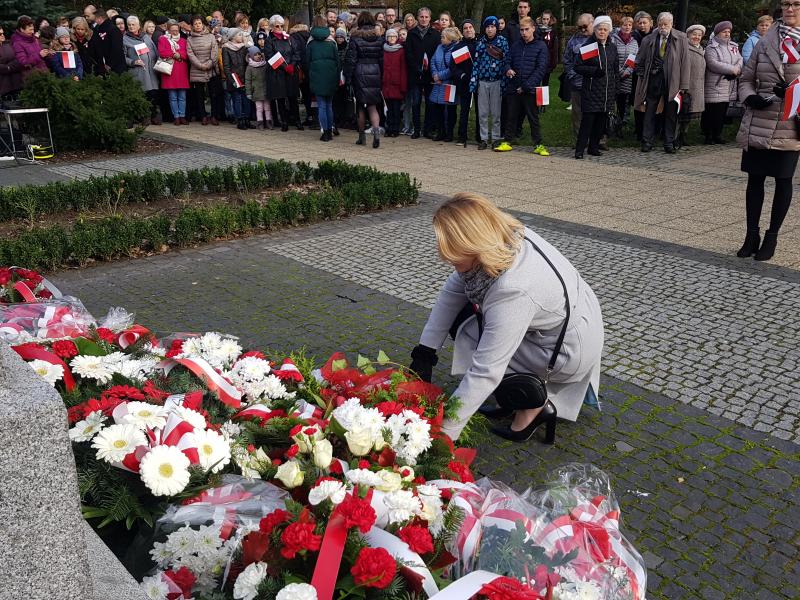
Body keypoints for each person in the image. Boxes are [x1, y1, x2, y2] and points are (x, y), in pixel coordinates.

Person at [409, 193, 604, 442]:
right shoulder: (503, 237)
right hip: (572, 323)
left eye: (453, 253)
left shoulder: (513, 290)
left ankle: (533, 403)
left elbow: (486, 369)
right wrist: (425, 352)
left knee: (471, 331)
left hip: (566, 353)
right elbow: (453, 291)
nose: (446, 259)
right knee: (467, 318)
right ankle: (514, 392)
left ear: (473, 244)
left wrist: (443, 435)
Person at [735, 0, 800, 261]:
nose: (790, 9)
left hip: (790, 124)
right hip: (759, 121)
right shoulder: (765, 40)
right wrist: (750, 97)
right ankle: (752, 235)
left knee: (783, 180)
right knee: (755, 180)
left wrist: (792, 94)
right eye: (786, 3)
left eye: (796, 4)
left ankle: (772, 236)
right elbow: (746, 79)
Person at [634, 12, 690, 154]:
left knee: (671, 113)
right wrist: (643, 74)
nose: (663, 27)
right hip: (653, 80)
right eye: (660, 24)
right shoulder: (649, 39)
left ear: (672, 24)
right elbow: (638, 61)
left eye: (666, 24)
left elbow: (685, 63)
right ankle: (647, 141)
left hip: (673, 81)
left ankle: (669, 142)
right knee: (649, 112)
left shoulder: (681, 38)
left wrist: (684, 85)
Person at [495, 16, 549, 156]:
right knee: (511, 116)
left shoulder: (541, 46)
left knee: (533, 117)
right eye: (521, 30)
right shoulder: (516, 45)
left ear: (533, 29)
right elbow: (507, 60)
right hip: (514, 86)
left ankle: (538, 144)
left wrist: (526, 86)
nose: (524, 32)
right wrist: (508, 69)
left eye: (526, 29)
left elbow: (541, 69)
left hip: (530, 89)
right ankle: (507, 141)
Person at [574, 15, 618, 159]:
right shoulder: (589, 46)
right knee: (587, 123)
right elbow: (578, 67)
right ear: (595, 29)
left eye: (605, 29)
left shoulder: (612, 47)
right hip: (592, 90)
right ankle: (579, 150)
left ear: (609, 31)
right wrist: (594, 72)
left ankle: (593, 147)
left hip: (607, 92)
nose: (602, 32)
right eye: (599, 29)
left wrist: (614, 87)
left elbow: (614, 69)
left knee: (600, 123)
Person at [345, 11, 384, 148]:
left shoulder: (355, 39)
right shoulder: (379, 39)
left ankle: (362, 137)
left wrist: (348, 78)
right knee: (373, 106)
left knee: (361, 106)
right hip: (375, 72)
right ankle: (376, 134)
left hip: (359, 72)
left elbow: (351, 60)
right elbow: (382, 59)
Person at [471, 16, 509, 150]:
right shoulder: (480, 43)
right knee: (482, 113)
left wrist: (504, 81)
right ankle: (483, 139)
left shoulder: (502, 41)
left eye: (492, 26)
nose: (490, 29)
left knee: (496, 113)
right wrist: (474, 81)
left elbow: (506, 61)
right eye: (487, 27)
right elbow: (476, 63)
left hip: (497, 81)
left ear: (496, 28)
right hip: (482, 81)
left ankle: (496, 138)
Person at [702, 21, 742, 145]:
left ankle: (717, 134)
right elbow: (713, 63)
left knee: (722, 112)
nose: (727, 34)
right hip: (715, 84)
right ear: (718, 33)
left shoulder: (733, 46)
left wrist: (737, 69)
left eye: (728, 32)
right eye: (724, 32)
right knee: (711, 111)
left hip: (729, 84)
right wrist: (732, 69)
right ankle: (708, 135)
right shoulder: (711, 47)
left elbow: (740, 59)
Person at [405, 7, 439, 139]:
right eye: (421, 17)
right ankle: (417, 130)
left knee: (430, 103)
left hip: (430, 74)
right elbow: (408, 54)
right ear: (417, 18)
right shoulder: (412, 33)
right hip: (415, 74)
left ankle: (427, 130)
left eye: (426, 17)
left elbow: (437, 54)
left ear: (430, 18)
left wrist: (431, 68)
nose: (424, 19)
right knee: (416, 102)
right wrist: (416, 67)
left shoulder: (435, 34)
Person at [264, 15, 301, 132]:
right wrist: (284, 67)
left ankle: (297, 120)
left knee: (293, 98)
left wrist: (292, 65)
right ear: (272, 27)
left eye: (281, 26)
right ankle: (284, 121)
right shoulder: (269, 40)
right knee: (280, 98)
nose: (280, 28)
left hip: (291, 72)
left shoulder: (289, 38)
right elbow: (270, 56)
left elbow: (296, 53)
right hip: (278, 73)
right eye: (277, 26)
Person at [307, 16, 339, 141]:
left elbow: (307, 61)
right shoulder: (332, 41)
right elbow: (337, 61)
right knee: (329, 105)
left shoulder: (310, 42)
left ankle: (325, 132)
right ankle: (330, 130)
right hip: (330, 76)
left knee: (321, 105)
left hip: (316, 75)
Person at [123, 16, 160, 124]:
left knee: (153, 94)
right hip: (139, 71)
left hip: (151, 71)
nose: (131, 26)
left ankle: (154, 116)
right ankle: (145, 117)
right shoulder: (125, 39)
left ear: (138, 25)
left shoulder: (146, 37)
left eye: (133, 24)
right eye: (129, 25)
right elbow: (123, 57)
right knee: (143, 95)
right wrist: (133, 62)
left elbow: (154, 50)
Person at [563, 13, 593, 138]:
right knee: (577, 114)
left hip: (595, 84)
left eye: (585, 26)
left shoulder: (600, 38)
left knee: (596, 113)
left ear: (592, 24)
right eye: (579, 27)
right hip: (578, 84)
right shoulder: (573, 41)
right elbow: (567, 60)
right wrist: (572, 75)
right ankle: (579, 140)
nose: (583, 29)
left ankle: (599, 140)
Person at [428, 26, 460, 142]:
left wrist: (440, 76)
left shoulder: (456, 49)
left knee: (450, 110)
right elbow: (432, 61)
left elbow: (454, 68)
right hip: (438, 84)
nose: (441, 38)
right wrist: (435, 75)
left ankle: (449, 133)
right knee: (437, 108)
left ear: (450, 39)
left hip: (449, 85)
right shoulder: (439, 47)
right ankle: (440, 131)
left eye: (443, 37)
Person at [187, 15, 220, 126]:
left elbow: (215, 52)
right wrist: (201, 66)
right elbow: (190, 55)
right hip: (197, 69)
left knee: (213, 94)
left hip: (211, 69)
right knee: (199, 95)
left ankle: (214, 116)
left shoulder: (211, 36)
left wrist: (210, 63)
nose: (197, 25)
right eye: (195, 24)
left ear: (203, 24)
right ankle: (203, 116)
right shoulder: (190, 39)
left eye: (199, 23)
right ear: (192, 26)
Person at [158, 21, 190, 125]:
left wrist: (180, 55)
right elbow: (162, 52)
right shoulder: (163, 39)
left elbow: (187, 53)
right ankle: (176, 116)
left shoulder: (184, 40)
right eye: (173, 30)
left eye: (177, 30)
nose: (175, 32)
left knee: (182, 97)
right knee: (172, 97)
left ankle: (182, 116)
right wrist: (174, 54)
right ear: (168, 30)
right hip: (169, 71)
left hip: (181, 71)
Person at [679, 24, 706, 147]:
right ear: (688, 35)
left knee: (689, 114)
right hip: (686, 86)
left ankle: (684, 135)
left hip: (697, 86)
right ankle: (676, 136)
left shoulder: (701, 50)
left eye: (699, 35)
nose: (697, 37)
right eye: (694, 34)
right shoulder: (685, 49)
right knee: (682, 113)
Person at [452, 19, 478, 146]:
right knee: (464, 110)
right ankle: (462, 136)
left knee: (480, 110)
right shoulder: (458, 47)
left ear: (474, 29)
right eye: (465, 28)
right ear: (463, 31)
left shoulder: (481, 44)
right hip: (464, 83)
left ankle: (480, 137)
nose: (468, 30)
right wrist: (462, 76)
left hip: (480, 82)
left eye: (470, 27)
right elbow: (453, 67)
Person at [611, 16, 638, 133]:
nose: (627, 27)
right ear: (620, 26)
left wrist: (628, 71)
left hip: (628, 77)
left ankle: (621, 125)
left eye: (629, 25)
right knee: (613, 103)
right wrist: (620, 72)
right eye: (624, 25)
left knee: (623, 103)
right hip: (614, 76)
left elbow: (635, 58)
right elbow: (611, 57)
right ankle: (611, 125)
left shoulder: (634, 42)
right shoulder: (613, 39)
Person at [631, 11, 653, 140]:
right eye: (640, 23)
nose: (642, 25)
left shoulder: (656, 36)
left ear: (651, 23)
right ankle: (639, 130)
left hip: (652, 73)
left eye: (645, 22)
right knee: (638, 101)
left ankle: (651, 128)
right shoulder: (633, 37)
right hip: (637, 74)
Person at [222, 28, 250, 129]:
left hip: (245, 77)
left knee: (246, 99)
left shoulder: (244, 48)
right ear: (232, 37)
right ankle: (240, 120)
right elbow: (226, 66)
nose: (241, 37)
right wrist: (232, 80)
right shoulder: (226, 48)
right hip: (234, 78)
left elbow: (248, 62)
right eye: (239, 35)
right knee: (237, 99)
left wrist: (248, 47)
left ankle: (247, 119)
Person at [381, 27, 407, 137]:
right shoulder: (384, 50)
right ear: (387, 38)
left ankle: (395, 129)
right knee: (389, 109)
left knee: (396, 109)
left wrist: (403, 86)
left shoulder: (401, 50)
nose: (391, 38)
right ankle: (389, 128)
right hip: (386, 84)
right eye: (389, 36)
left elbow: (403, 69)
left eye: (393, 36)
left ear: (396, 38)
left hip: (397, 84)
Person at [88, 6, 126, 75]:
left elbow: (116, 48)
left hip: (115, 67)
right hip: (103, 66)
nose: (95, 21)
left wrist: (109, 64)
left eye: (95, 19)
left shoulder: (113, 29)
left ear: (99, 18)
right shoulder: (99, 29)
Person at [245, 45, 269, 129]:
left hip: (266, 90)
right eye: (255, 55)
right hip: (256, 91)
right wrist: (248, 92)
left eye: (259, 54)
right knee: (259, 108)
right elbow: (248, 81)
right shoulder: (250, 68)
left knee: (267, 108)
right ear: (251, 56)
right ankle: (260, 123)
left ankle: (269, 122)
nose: (258, 56)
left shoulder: (265, 64)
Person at [333, 28, 350, 132]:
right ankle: (337, 118)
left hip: (344, 75)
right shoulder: (334, 47)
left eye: (341, 37)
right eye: (338, 37)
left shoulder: (347, 47)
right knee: (336, 99)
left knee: (344, 98)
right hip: (335, 75)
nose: (339, 39)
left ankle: (344, 118)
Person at [0, 25, 23, 101]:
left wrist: (9, 67)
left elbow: (18, 58)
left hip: (15, 82)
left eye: (3, 33)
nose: (3, 35)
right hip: (3, 85)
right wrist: (7, 67)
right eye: (0, 34)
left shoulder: (8, 45)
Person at [537, 9, 559, 89]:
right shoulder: (536, 31)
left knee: (545, 84)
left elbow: (555, 49)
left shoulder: (553, 33)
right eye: (544, 19)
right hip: (536, 61)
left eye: (547, 19)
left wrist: (553, 64)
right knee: (536, 83)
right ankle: (535, 101)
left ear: (550, 20)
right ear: (541, 19)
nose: (545, 21)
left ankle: (544, 101)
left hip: (547, 62)